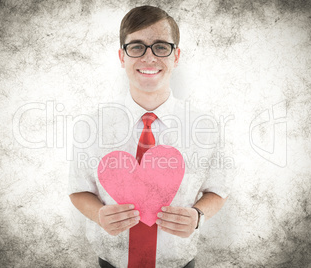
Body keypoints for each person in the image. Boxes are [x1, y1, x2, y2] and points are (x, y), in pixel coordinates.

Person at [68, 5, 230, 268]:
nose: (149, 57)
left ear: (176, 56)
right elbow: (78, 190)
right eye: (137, 47)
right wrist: (99, 215)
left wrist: (198, 216)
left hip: (178, 262)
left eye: (161, 46)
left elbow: (218, 190)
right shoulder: (92, 125)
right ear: (122, 57)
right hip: (112, 262)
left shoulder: (205, 126)